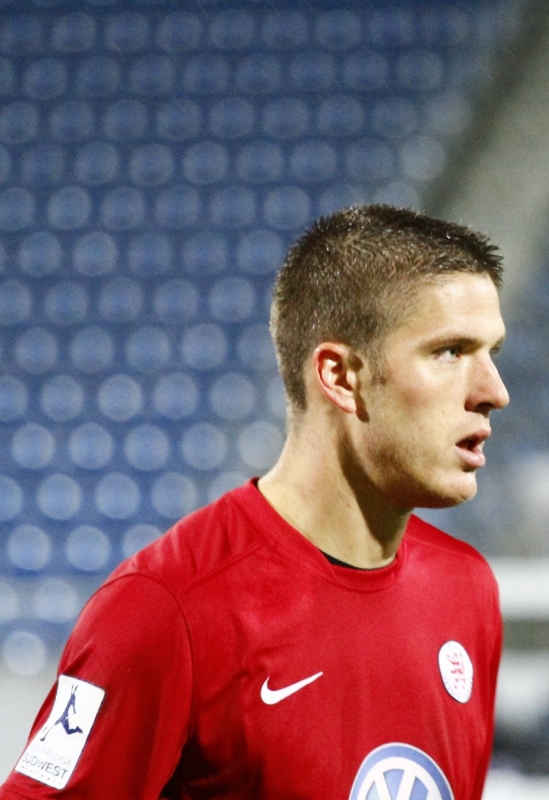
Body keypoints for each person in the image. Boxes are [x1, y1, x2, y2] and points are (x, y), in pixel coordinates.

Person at [0, 204, 509, 800]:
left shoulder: (466, 588)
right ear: (340, 377)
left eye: (493, 353)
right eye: (450, 352)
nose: (493, 391)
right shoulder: (165, 610)